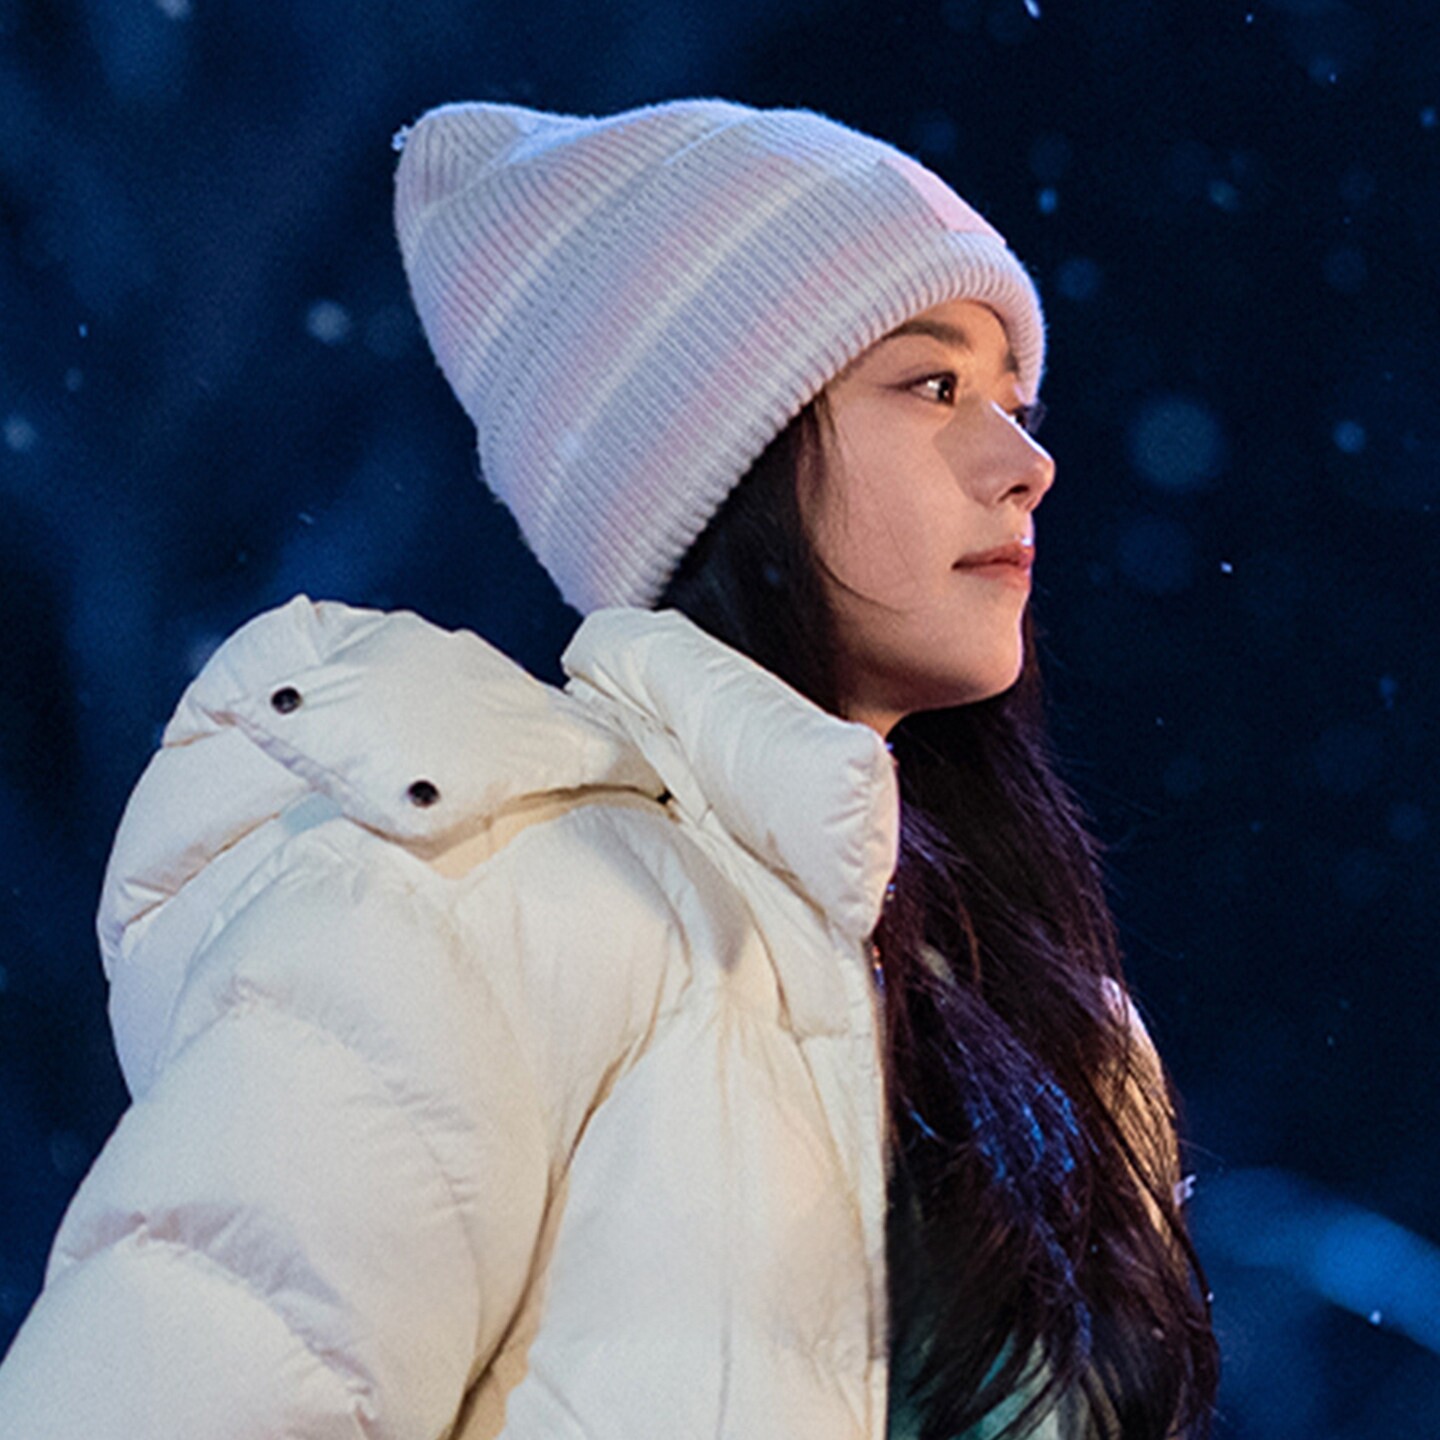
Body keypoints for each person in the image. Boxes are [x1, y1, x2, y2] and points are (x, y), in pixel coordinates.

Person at [0, 99, 1218, 1438]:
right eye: (933, 386)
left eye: (1014, 403)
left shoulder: (1060, 1035)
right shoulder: (474, 907)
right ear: (723, 453)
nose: (1028, 464)